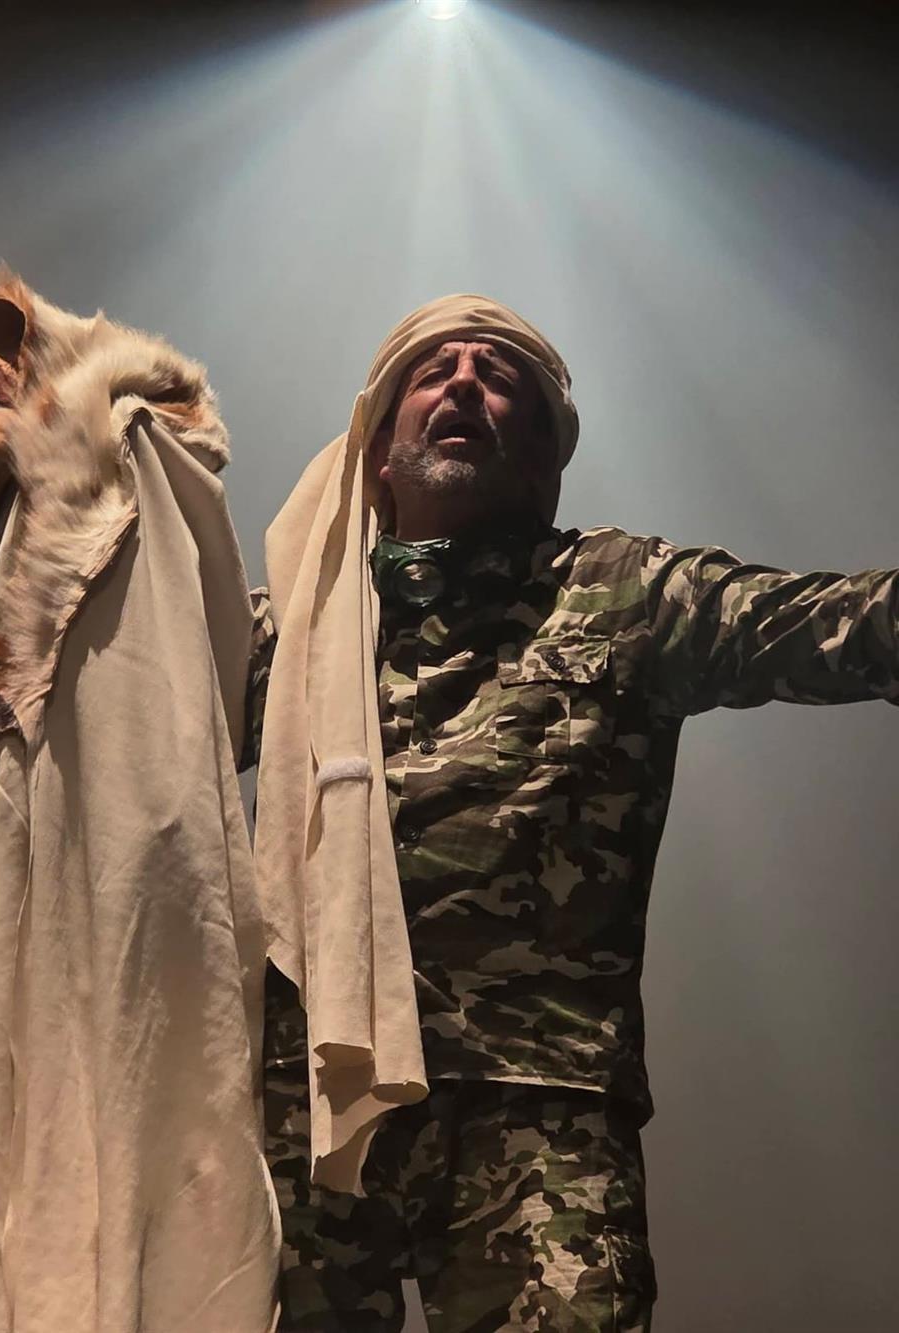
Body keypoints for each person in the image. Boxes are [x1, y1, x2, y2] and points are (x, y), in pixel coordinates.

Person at [241, 296, 899, 1333]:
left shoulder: (623, 591)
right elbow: (111, 725)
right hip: (308, 1105)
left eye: (499, 375)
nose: (464, 383)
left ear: (547, 452)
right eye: (434, 370)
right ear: (375, 448)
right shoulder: (294, 627)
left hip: (539, 1108)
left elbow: (846, 625)